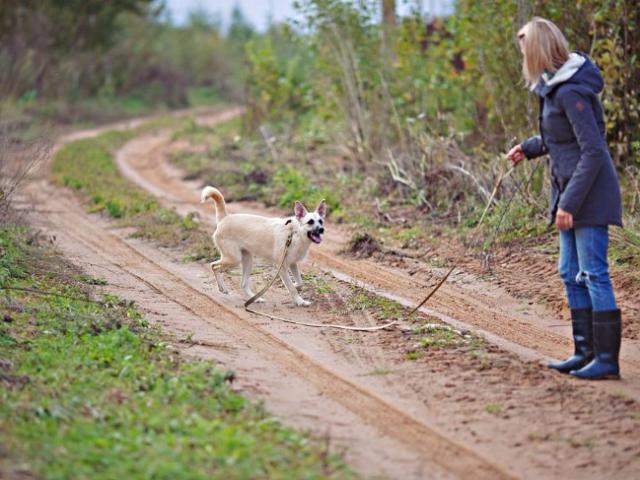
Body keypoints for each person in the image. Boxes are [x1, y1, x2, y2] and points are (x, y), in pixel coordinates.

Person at [506, 17, 623, 380]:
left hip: (588, 194)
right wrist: (529, 148)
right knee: (569, 273)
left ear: (538, 48)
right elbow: (561, 141)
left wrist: (569, 203)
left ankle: (606, 361)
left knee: (593, 274)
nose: (522, 54)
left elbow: (593, 151)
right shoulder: (554, 88)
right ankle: (583, 352)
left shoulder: (572, 91)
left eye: (525, 47)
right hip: (570, 190)